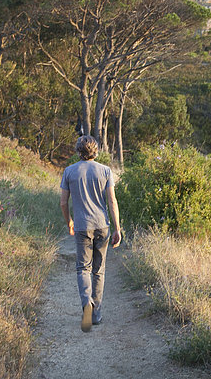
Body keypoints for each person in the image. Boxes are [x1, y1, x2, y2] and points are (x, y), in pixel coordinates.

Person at [60, 135, 121, 332]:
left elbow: (63, 202)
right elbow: (112, 201)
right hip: (102, 225)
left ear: (78, 151)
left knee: (82, 268)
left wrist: (69, 220)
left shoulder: (69, 171)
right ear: (96, 151)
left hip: (82, 226)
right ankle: (96, 314)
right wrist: (117, 228)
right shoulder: (105, 171)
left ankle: (87, 303)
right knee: (98, 270)